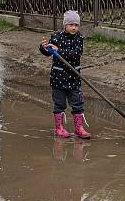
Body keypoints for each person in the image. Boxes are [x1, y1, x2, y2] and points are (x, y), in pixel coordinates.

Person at [39, 10, 91, 139]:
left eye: (76, 25)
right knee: (60, 104)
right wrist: (44, 47)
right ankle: (59, 128)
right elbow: (48, 52)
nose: (74, 27)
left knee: (77, 103)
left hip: (74, 77)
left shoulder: (79, 38)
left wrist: (59, 50)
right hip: (58, 78)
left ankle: (79, 128)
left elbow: (76, 54)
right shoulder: (56, 36)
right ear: (65, 25)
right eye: (71, 24)